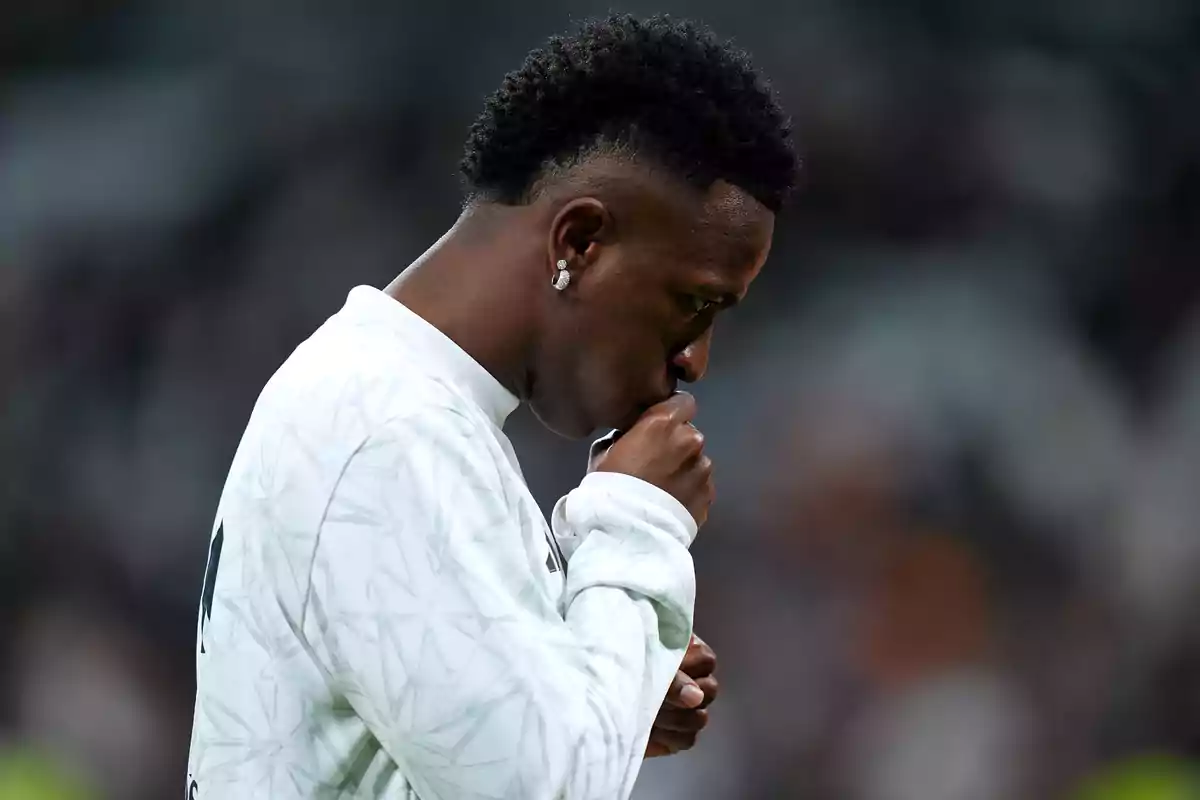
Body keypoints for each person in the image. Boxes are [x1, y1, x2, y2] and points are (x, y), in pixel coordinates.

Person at [185, 13, 797, 799]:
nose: (693, 360)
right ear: (577, 242)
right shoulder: (393, 427)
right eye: (693, 303)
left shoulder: (388, 394)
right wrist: (635, 519)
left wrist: (607, 688)